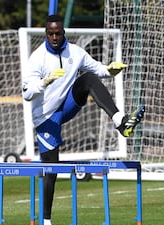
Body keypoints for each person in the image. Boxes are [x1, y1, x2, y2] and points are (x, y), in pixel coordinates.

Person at [21, 14, 145, 225]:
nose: (54, 37)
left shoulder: (75, 52)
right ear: (45, 34)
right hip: (45, 118)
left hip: (66, 106)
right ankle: (46, 221)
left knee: (87, 78)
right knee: (51, 170)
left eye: (57, 33)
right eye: (50, 34)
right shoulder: (38, 57)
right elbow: (26, 92)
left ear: (63, 33)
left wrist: (110, 69)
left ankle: (121, 123)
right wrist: (44, 82)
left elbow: (97, 69)